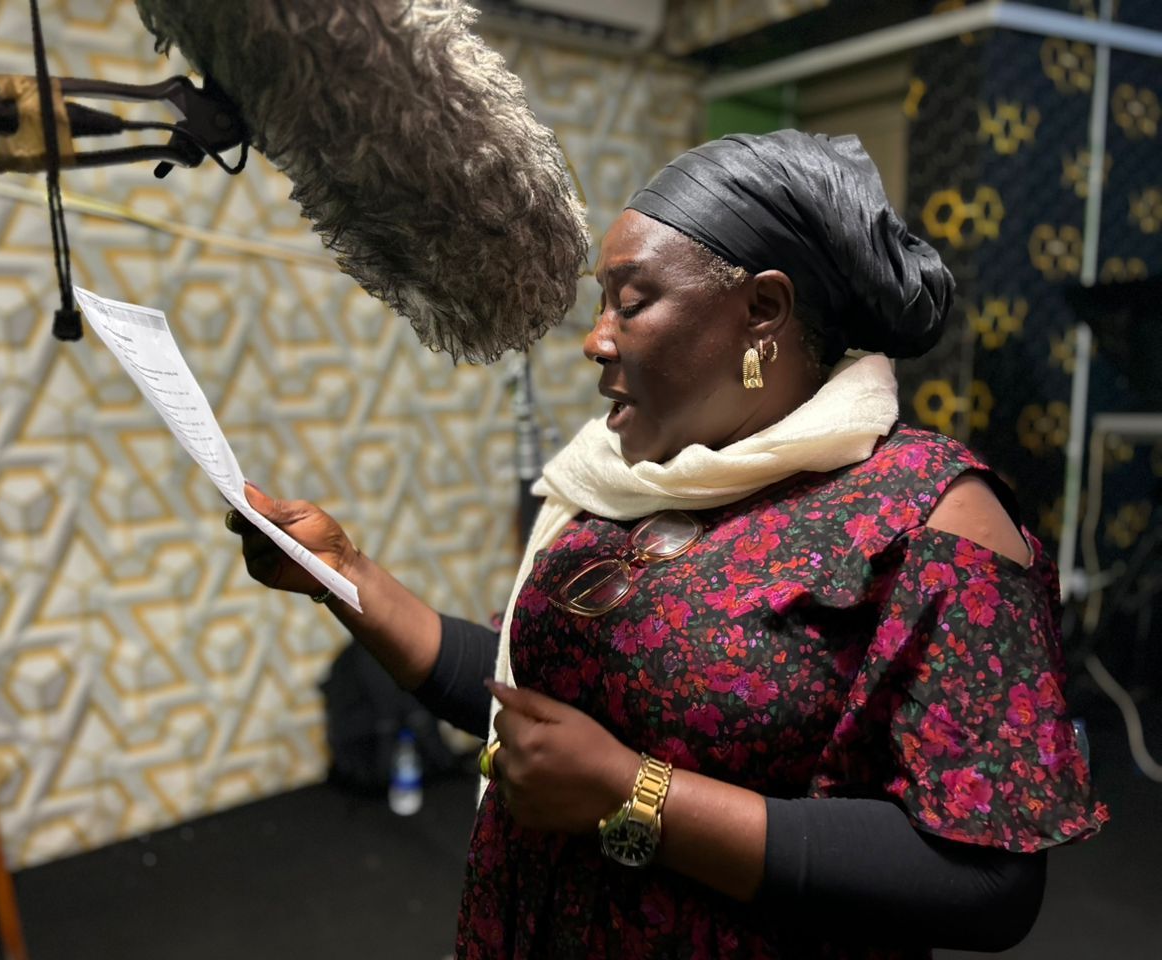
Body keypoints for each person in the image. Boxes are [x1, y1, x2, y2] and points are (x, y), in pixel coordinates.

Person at [225, 130, 1108, 958]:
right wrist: (345, 574)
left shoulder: (932, 519)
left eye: (632, 302)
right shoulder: (631, 474)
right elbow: (525, 700)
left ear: (762, 310)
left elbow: (989, 879)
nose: (596, 340)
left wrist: (634, 797)